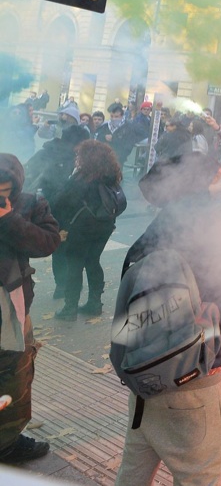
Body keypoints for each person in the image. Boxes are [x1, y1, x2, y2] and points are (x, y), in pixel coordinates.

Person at [114, 155, 221, 484]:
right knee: (200, 477)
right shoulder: (215, 236)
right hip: (194, 386)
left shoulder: (150, 237)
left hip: (143, 381)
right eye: (219, 174)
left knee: (133, 473)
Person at [0, 153, 61, 463]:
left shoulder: (31, 203)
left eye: (5, 190)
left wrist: (10, 220)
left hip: (12, 303)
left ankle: (6, 441)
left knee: (16, 370)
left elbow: (49, 242)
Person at [48, 141, 124, 320]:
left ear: (86, 158)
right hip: (104, 226)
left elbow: (60, 201)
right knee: (93, 261)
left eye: (79, 155)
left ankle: (70, 309)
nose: (76, 158)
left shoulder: (81, 178)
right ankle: (95, 303)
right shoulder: (112, 176)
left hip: (81, 227)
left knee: (74, 265)